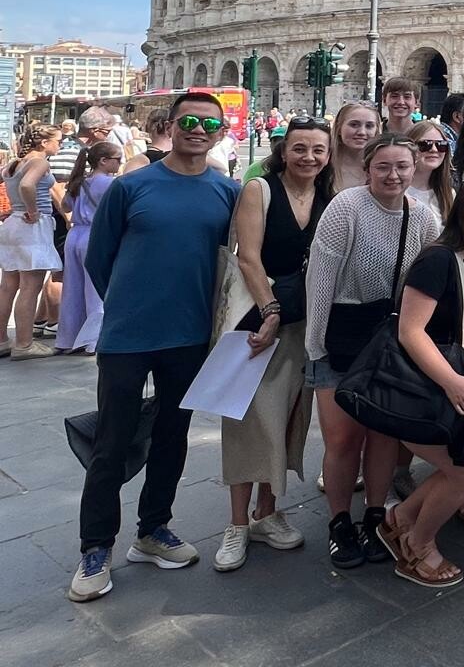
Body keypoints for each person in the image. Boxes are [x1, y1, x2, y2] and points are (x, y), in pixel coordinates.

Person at [69, 93, 240, 603]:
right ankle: (95, 546)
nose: (197, 129)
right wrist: (129, 305)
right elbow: (99, 260)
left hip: (189, 336)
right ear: (172, 125)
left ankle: (153, 529)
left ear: (220, 132)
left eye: (209, 123)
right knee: (112, 440)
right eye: (188, 120)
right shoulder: (131, 187)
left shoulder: (228, 192)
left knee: (173, 435)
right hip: (128, 335)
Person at [305, 133, 442, 569]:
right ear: (367, 170)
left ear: (414, 167)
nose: (393, 174)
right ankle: (340, 522)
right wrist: (316, 343)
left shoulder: (423, 218)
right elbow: (321, 279)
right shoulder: (346, 207)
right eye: (382, 166)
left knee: (383, 432)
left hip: (391, 340)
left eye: (402, 166)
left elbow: (431, 281)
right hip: (340, 337)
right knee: (344, 438)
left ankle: (375, 516)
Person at [214, 115, 333, 572]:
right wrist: (270, 310)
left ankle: (267, 512)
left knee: (289, 418)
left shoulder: (329, 198)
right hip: (258, 320)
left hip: (306, 322)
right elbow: (248, 257)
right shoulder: (259, 189)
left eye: (318, 150)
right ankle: (236, 524)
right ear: (283, 150)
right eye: (300, 148)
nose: (309, 157)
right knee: (248, 417)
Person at [380, 182, 464, 587]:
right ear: (461, 216)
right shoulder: (436, 260)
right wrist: (452, 383)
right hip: (424, 383)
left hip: (459, 380)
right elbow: (410, 331)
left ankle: (400, 519)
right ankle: (417, 545)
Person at [0, 123, 64, 360]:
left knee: (8, 286)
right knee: (30, 286)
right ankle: (24, 343)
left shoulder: (12, 164)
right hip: (31, 226)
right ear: (44, 143)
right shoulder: (39, 162)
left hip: (12, 225)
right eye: (58, 140)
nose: (60, 144)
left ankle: (2, 340)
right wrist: (33, 210)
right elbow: (28, 185)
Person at [57, 141, 122, 353]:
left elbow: (65, 205)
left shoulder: (79, 181)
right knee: (96, 289)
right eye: (117, 160)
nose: (120, 164)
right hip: (94, 234)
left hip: (74, 234)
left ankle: (69, 338)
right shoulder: (109, 183)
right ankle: (93, 340)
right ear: (104, 161)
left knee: (72, 288)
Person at [405, 120, 456, 222]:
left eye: (441, 145)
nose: (434, 150)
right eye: (425, 144)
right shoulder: (395, 190)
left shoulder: (450, 194)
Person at [330, 101, 381, 193]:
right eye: (354, 125)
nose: (362, 132)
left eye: (369, 126)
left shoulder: (383, 167)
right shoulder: (324, 167)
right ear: (339, 128)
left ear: (376, 130)